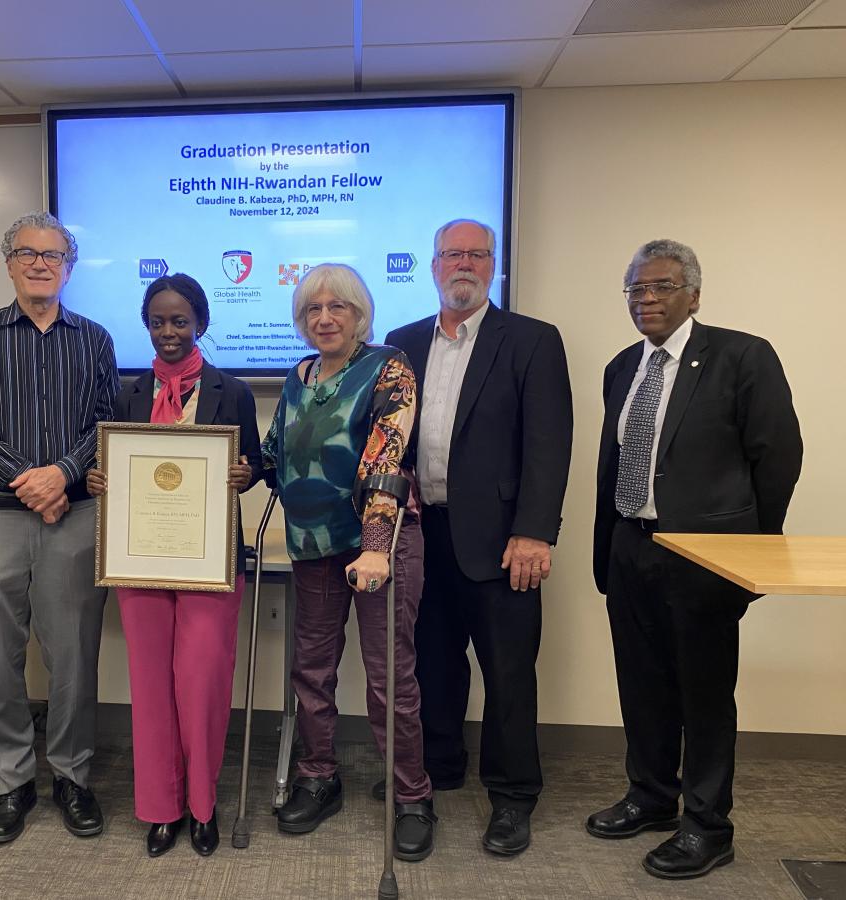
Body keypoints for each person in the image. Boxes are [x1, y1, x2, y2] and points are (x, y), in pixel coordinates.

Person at [587, 239, 802, 879]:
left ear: (694, 295)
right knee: (643, 683)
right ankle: (651, 797)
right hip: (632, 544)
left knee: (705, 693)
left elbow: (779, 456)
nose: (645, 299)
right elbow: (614, 463)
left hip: (706, 555)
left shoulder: (742, 356)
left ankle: (708, 826)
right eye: (635, 288)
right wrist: (607, 549)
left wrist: (750, 550)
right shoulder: (622, 366)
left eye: (660, 287)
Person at [385, 218, 573, 856]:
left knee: (509, 673)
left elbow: (549, 445)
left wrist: (534, 532)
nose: (463, 264)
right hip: (421, 535)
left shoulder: (531, 340)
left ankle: (514, 796)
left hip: (502, 541)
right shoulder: (400, 342)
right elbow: (390, 439)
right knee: (432, 662)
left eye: (476, 254)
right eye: (451, 254)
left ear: (493, 265)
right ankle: (440, 765)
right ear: (432, 264)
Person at [0, 211, 118, 845]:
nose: (40, 263)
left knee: (74, 654)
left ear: (68, 267)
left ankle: (72, 776)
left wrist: (62, 476)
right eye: (27, 253)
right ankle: (12, 780)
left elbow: (105, 425)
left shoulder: (96, 338)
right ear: (9, 263)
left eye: (53, 254)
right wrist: (31, 479)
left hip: (75, 517)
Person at [263, 263, 436, 862]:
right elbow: (275, 451)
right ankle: (318, 776)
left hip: (378, 546)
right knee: (311, 670)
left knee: (390, 677)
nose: (324, 318)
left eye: (337, 307)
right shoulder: (299, 375)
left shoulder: (388, 367)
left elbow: (387, 455)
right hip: (312, 546)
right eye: (313, 309)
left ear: (360, 315)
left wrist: (375, 544)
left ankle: (411, 795)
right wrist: (237, 469)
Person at [86, 273, 261, 858]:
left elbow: (255, 462)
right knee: (151, 688)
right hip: (140, 564)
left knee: (203, 685)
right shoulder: (127, 395)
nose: (168, 332)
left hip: (211, 562)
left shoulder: (229, 391)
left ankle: (203, 807)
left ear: (201, 324)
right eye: (158, 321)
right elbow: (110, 464)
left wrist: (245, 473)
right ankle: (161, 809)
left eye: (179, 321)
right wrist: (98, 478)